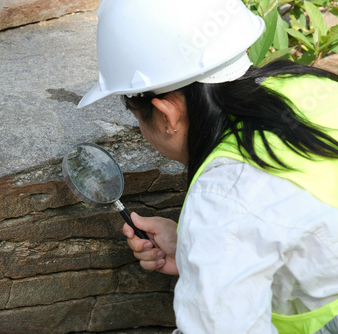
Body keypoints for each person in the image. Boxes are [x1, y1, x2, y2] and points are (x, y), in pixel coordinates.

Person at [77, 1, 338, 333]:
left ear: (166, 114)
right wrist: (196, 249)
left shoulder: (222, 197)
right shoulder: (312, 87)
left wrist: (212, 240)